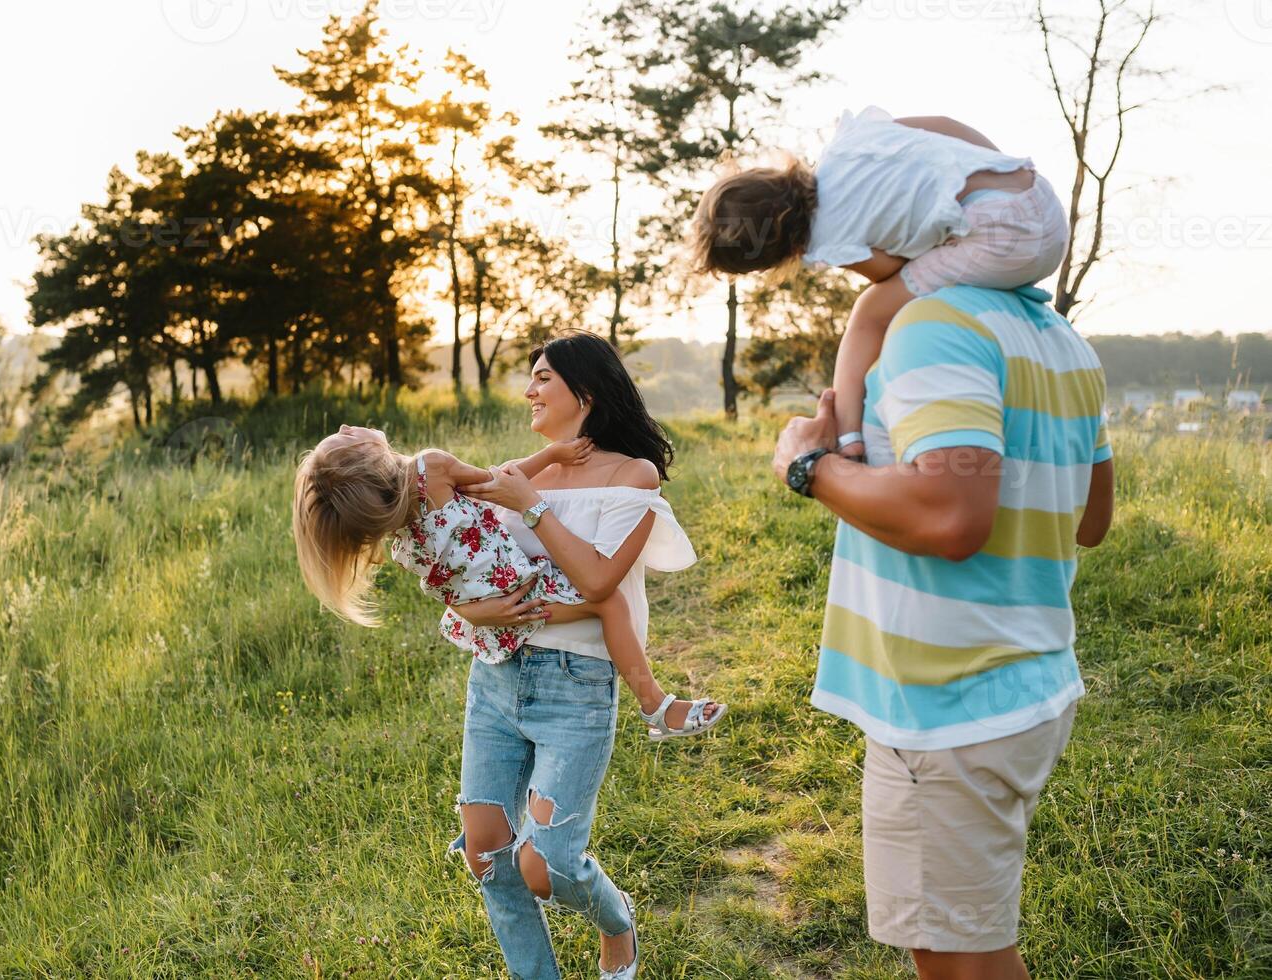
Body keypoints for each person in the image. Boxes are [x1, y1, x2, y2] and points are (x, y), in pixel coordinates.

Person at [771, 282, 1114, 980]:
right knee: (970, 947)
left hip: (947, 705)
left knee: (959, 961)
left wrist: (809, 468)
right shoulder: (1059, 337)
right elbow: (1092, 519)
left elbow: (951, 518)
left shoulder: (932, 327)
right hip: (1028, 684)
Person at [447, 331, 709, 978]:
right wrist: (472, 607)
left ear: (584, 393)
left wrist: (532, 508)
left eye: (541, 378)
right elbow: (462, 561)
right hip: (497, 678)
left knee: (546, 865)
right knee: (486, 854)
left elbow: (597, 583)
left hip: (577, 682)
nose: (528, 391)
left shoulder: (631, 475)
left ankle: (617, 922)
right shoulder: (523, 471)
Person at [291, 425, 727, 741]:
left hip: (487, 612)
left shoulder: (398, 528)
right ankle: (655, 704)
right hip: (518, 589)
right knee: (610, 603)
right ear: (365, 457)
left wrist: (473, 611)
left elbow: (447, 582)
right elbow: (499, 481)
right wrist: (554, 455)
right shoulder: (432, 468)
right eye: (344, 436)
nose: (347, 425)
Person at [689, 106, 1069, 463]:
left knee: (870, 312)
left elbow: (891, 270)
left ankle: (849, 438)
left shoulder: (826, 239)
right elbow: (944, 123)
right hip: (1034, 193)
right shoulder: (849, 142)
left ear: (775, 255)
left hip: (1008, 242)